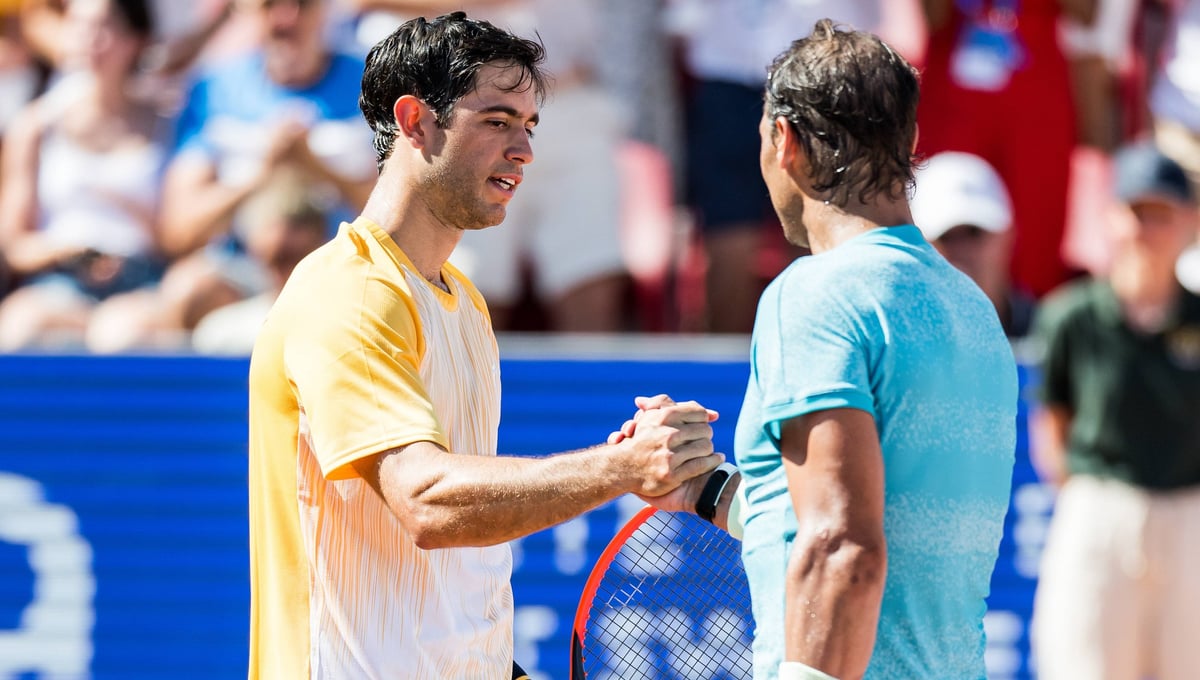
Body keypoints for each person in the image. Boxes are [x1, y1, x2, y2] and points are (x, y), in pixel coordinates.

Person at [246, 12, 723, 679]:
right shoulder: (349, 292)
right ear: (415, 121)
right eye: (497, 121)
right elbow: (427, 502)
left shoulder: (465, 305)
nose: (524, 150)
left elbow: (453, 586)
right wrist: (620, 469)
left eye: (529, 126)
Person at [615, 19, 1018, 679]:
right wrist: (704, 490)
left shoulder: (815, 293)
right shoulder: (973, 310)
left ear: (786, 141)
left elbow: (842, 548)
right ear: (909, 141)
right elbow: (865, 527)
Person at [1030, 141, 1200, 680]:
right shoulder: (1072, 317)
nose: (1147, 229)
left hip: (1189, 516)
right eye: (1135, 211)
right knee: (1084, 662)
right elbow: (1052, 422)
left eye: (1161, 213)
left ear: (1189, 221)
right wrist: (1089, 498)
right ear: (1110, 217)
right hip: (1099, 509)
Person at [0, 0, 169, 351]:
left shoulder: (168, 122)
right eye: (79, 25)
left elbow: (179, 234)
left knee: (121, 337)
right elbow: (14, 244)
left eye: (104, 27)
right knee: (21, 328)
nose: (89, 39)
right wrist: (69, 253)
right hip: (59, 283)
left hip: (143, 283)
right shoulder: (35, 127)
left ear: (136, 39)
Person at [911, 150, 1036, 337]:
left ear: (1009, 236)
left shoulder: (1052, 334)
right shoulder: (892, 343)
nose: (962, 251)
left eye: (974, 232)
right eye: (946, 237)